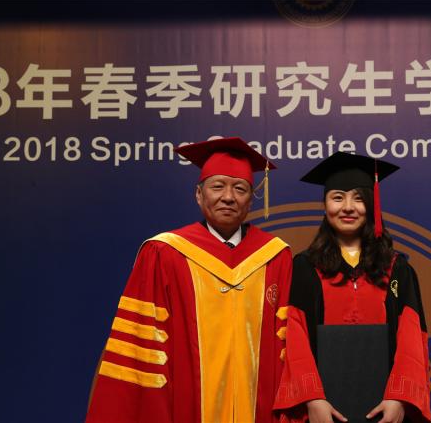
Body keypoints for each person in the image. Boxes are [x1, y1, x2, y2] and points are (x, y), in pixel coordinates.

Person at [86, 137, 293, 423]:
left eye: (240, 188)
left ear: (251, 198)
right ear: (199, 194)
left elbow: (288, 348)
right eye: (217, 186)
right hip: (183, 408)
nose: (228, 197)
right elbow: (139, 350)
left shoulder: (275, 257)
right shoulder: (164, 253)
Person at [273, 152, 431, 423]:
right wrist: (312, 398)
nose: (348, 207)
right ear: (325, 206)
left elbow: (412, 338)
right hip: (322, 410)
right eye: (337, 198)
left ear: (371, 204)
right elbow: (296, 336)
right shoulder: (305, 267)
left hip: (385, 408)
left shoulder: (397, 269)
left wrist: (398, 398)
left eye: (358, 198)